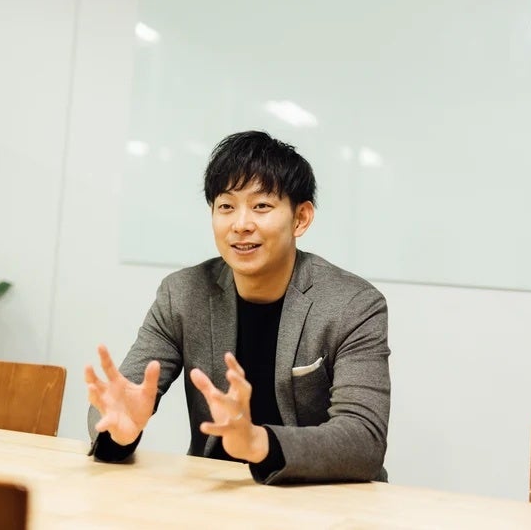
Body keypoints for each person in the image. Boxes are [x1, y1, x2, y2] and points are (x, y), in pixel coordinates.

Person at [85, 130, 390, 484]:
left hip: (324, 499)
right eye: (226, 207)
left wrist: (257, 443)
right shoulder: (183, 294)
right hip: (219, 493)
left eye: (261, 206)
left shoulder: (353, 305)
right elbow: (120, 401)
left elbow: (363, 439)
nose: (241, 225)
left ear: (301, 218)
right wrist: (118, 433)